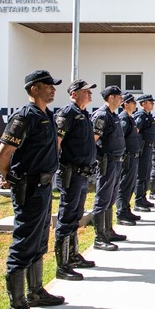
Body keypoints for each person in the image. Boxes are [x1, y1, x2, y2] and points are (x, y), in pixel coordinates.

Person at [0, 70, 63, 309]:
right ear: (34, 89)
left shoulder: (46, 114)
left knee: (38, 241)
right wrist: (8, 176)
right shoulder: (24, 117)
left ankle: (36, 291)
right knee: (23, 244)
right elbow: (2, 154)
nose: (53, 89)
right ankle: (18, 307)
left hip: (44, 187)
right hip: (30, 188)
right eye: (48, 85)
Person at [53, 79, 98, 281]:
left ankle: (73, 255)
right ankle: (63, 265)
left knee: (76, 215)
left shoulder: (84, 114)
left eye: (90, 91)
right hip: (70, 173)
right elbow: (57, 142)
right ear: (73, 94)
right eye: (85, 91)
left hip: (82, 173)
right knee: (67, 217)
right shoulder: (67, 113)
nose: (89, 94)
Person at [90, 86, 127, 251]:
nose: (122, 99)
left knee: (111, 197)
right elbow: (93, 140)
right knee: (103, 198)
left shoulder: (114, 115)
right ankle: (99, 236)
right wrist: (100, 158)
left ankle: (108, 230)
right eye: (119, 96)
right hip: (107, 162)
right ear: (111, 97)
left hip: (117, 161)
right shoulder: (102, 115)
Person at [116, 92, 143, 226]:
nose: (135, 105)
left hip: (133, 156)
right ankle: (121, 213)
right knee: (124, 185)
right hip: (127, 158)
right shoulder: (124, 119)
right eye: (133, 102)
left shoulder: (130, 117)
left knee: (130, 185)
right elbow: (121, 139)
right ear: (125, 104)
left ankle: (127, 209)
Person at [133, 94, 155, 211]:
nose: (152, 104)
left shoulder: (148, 115)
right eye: (150, 102)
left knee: (146, 175)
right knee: (141, 175)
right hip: (143, 148)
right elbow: (136, 131)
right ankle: (138, 201)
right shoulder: (140, 115)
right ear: (143, 104)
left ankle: (143, 198)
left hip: (148, 147)